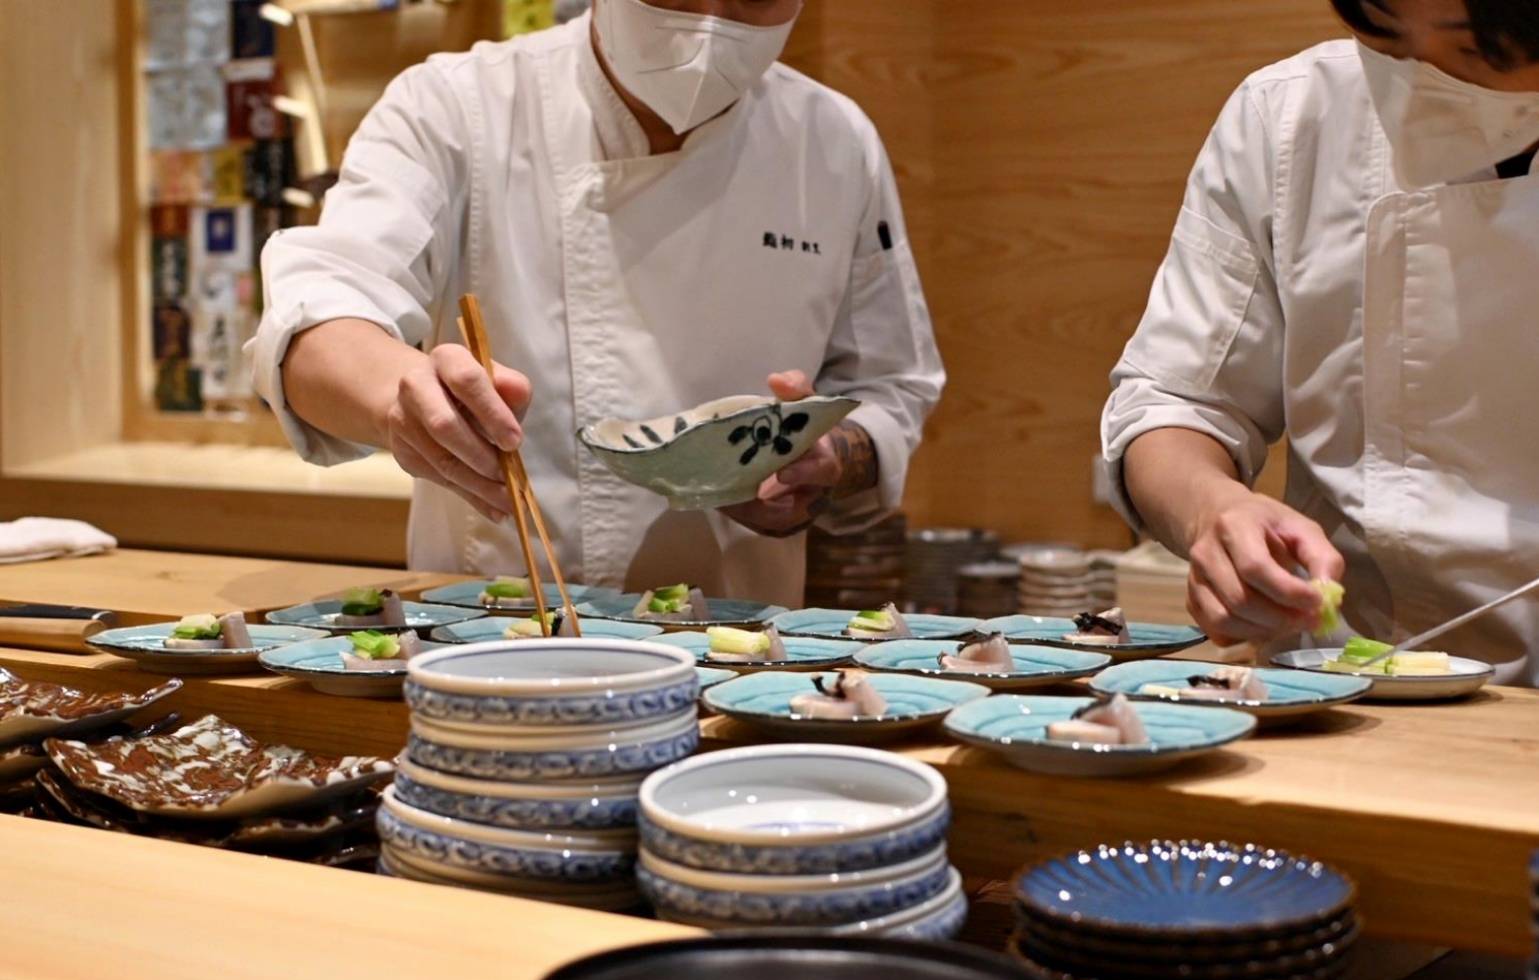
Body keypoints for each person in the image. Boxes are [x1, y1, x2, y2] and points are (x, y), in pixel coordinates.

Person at [248, 0, 942, 604]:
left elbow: (891, 386)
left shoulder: (831, 142)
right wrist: (403, 398)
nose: (706, 26)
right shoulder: (458, 106)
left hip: (742, 661)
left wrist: (824, 459)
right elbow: (322, 307)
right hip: (494, 635)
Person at [1101, 0, 1539, 682]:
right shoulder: (1289, 115)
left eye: (1472, 54)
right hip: (1346, 688)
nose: (1417, 88)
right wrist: (1215, 511)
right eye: (1381, 36)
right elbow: (1174, 403)